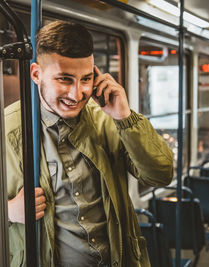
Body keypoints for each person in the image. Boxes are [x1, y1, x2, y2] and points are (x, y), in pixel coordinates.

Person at [6, 21, 173, 267]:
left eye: (85, 79)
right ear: (36, 74)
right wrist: (7, 211)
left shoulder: (108, 119)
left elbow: (160, 174)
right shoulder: (7, 129)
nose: (77, 94)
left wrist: (126, 118)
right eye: (64, 79)